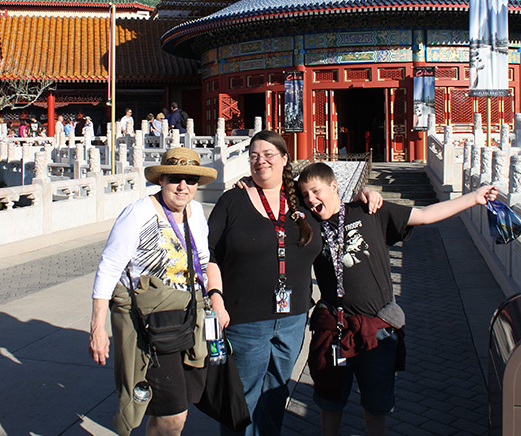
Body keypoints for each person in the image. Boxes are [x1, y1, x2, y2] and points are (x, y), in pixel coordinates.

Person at [297, 161, 498, 436]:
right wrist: (248, 188)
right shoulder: (309, 226)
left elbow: (425, 214)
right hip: (335, 331)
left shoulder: (369, 211)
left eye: (316, 191)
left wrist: (473, 198)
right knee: (330, 400)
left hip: (376, 329)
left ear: (334, 186)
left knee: (377, 402)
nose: (311, 199)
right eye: (305, 195)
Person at [89, 147, 218, 436]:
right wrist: (97, 326)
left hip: (188, 319)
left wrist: (215, 300)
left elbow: (204, 261)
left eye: (191, 179)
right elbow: (109, 268)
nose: (183, 187)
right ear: (161, 180)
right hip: (151, 324)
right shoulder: (138, 213)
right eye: (175, 178)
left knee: (177, 406)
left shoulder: (196, 211)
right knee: (173, 413)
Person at [207, 130, 323, 436]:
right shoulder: (233, 200)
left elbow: (338, 211)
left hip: (294, 317)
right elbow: (208, 254)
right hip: (245, 319)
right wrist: (216, 300)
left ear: (285, 159)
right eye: (254, 156)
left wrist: (371, 196)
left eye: (269, 155)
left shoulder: (304, 199)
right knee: (242, 398)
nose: (261, 161)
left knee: (275, 395)